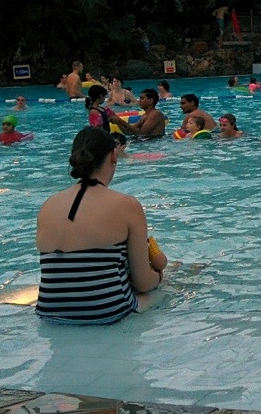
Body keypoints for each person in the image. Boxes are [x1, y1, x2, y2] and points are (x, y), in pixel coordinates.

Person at [35, 126, 164, 324]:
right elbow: (143, 282)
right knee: (173, 285)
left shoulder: (48, 205)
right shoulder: (127, 205)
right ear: (114, 156)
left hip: (49, 311)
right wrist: (160, 276)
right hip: (107, 310)